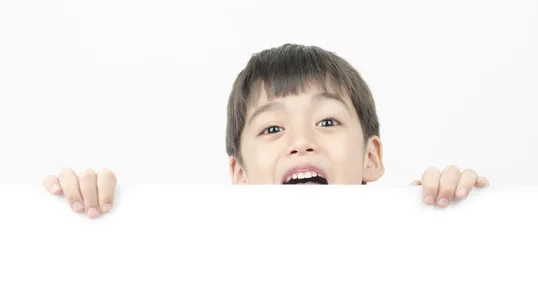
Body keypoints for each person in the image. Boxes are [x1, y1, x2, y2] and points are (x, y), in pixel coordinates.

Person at [41, 43, 489, 219]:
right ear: (238, 174)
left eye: (327, 122)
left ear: (371, 158)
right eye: (272, 128)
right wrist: (84, 211)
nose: (301, 141)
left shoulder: (413, 237)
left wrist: (446, 215)